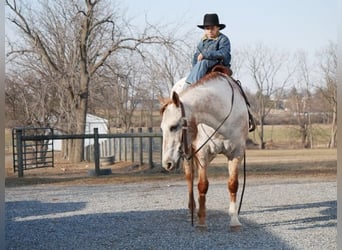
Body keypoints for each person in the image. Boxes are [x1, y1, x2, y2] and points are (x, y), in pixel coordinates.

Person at [186, 13, 231, 84]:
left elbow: (223, 53)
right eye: (207, 28)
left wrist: (205, 54)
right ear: (204, 29)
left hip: (218, 62)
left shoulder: (223, 39)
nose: (210, 31)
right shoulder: (203, 41)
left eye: (212, 28)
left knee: (204, 62)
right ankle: (188, 83)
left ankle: (193, 85)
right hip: (202, 65)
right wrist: (195, 67)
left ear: (218, 28)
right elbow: (197, 55)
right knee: (200, 63)